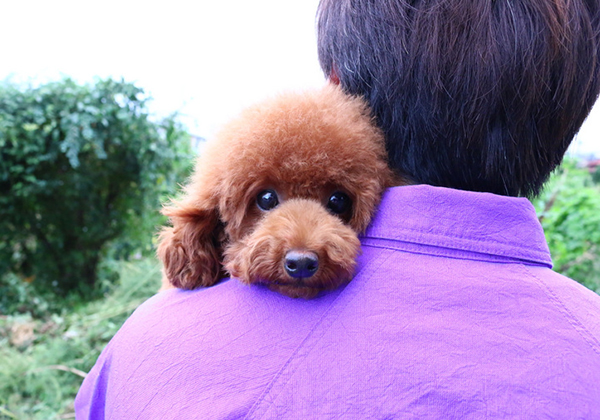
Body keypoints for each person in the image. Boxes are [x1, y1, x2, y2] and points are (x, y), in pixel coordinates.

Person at [76, 0, 600, 418]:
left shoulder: (146, 351)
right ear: (575, 112)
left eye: (336, 202)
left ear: (336, 84)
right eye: (265, 200)